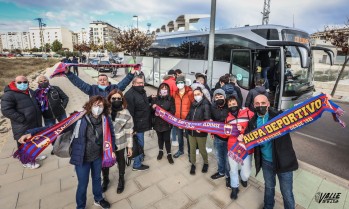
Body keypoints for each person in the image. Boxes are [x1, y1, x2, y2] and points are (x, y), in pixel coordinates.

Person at [20, 96, 115, 209]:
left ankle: (98, 199)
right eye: (95, 105)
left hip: (98, 156)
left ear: (104, 107)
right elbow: (55, 127)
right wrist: (32, 133)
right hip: (82, 157)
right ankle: (80, 206)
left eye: (100, 105)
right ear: (90, 105)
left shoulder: (106, 119)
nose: (97, 108)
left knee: (97, 179)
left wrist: (112, 149)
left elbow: (111, 135)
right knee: (82, 184)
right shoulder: (78, 118)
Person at [246, 94, 298, 209]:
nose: (260, 106)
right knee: (269, 187)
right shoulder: (252, 122)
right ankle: (268, 206)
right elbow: (246, 137)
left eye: (263, 103)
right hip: (266, 162)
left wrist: (322, 100)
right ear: (254, 105)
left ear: (268, 104)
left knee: (287, 193)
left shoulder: (280, 116)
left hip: (283, 161)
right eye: (257, 104)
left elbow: (300, 113)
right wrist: (241, 137)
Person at [1, 75, 43, 169]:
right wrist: (22, 119)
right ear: (14, 82)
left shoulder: (29, 91)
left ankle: (34, 156)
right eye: (19, 82)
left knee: (33, 141)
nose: (22, 84)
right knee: (23, 143)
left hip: (35, 122)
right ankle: (26, 161)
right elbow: (6, 110)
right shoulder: (9, 94)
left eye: (25, 82)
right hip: (22, 125)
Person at [102, 90, 134, 194]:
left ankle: (121, 179)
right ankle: (106, 179)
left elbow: (129, 132)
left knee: (121, 161)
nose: (116, 100)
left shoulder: (126, 113)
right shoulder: (104, 111)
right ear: (109, 99)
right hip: (106, 143)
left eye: (118, 98)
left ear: (122, 100)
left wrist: (129, 147)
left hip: (120, 143)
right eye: (114, 98)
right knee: (105, 162)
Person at [225, 95, 254, 199]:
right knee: (233, 170)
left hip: (246, 148)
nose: (232, 106)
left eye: (234, 103)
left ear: (238, 103)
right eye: (229, 104)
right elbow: (226, 134)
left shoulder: (248, 113)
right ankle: (234, 187)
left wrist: (242, 130)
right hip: (232, 147)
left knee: (246, 173)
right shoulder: (228, 118)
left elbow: (255, 127)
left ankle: (243, 178)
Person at [124, 75, 151, 171]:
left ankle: (138, 156)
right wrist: (132, 129)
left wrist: (150, 98)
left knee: (138, 143)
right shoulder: (130, 95)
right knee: (139, 143)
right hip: (136, 126)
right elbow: (129, 113)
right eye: (139, 83)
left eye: (142, 83)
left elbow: (141, 103)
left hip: (142, 123)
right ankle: (137, 164)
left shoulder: (141, 91)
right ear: (133, 83)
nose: (141, 84)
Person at [64, 66, 136, 98]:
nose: (102, 81)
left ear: (108, 81)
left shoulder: (114, 88)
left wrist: (131, 74)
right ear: (97, 82)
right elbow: (80, 84)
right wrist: (68, 73)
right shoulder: (92, 89)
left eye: (104, 79)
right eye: (100, 80)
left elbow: (124, 83)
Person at [186, 87, 210, 175]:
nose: (196, 96)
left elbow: (207, 119)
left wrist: (202, 128)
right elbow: (189, 115)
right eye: (195, 94)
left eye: (198, 94)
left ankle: (206, 162)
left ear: (202, 94)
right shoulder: (193, 103)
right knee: (192, 149)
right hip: (191, 131)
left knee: (202, 149)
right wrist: (184, 122)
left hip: (201, 132)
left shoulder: (206, 104)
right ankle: (193, 164)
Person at [210, 89, 230, 188]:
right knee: (218, 156)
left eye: (221, 96)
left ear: (224, 97)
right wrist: (212, 132)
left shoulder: (230, 106)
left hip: (229, 138)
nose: (219, 99)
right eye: (216, 97)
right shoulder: (212, 107)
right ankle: (221, 172)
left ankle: (228, 176)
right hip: (218, 137)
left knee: (227, 159)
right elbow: (211, 121)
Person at [151, 83, 176, 164]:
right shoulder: (155, 99)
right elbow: (151, 110)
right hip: (157, 123)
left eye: (165, 88)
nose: (164, 90)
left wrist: (163, 113)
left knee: (167, 139)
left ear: (168, 90)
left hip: (166, 123)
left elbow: (173, 111)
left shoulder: (171, 99)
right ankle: (161, 151)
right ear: (159, 90)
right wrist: (153, 108)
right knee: (160, 138)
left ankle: (169, 154)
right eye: (162, 88)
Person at [173, 75, 194, 159]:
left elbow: (193, 105)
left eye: (181, 82)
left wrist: (190, 117)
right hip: (178, 119)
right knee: (180, 136)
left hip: (187, 120)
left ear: (184, 83)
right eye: (178, 83)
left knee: (189, 137)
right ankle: (180, 150)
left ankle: (190, 153)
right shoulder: (175, 93)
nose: (180, 84)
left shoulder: (190, 93)